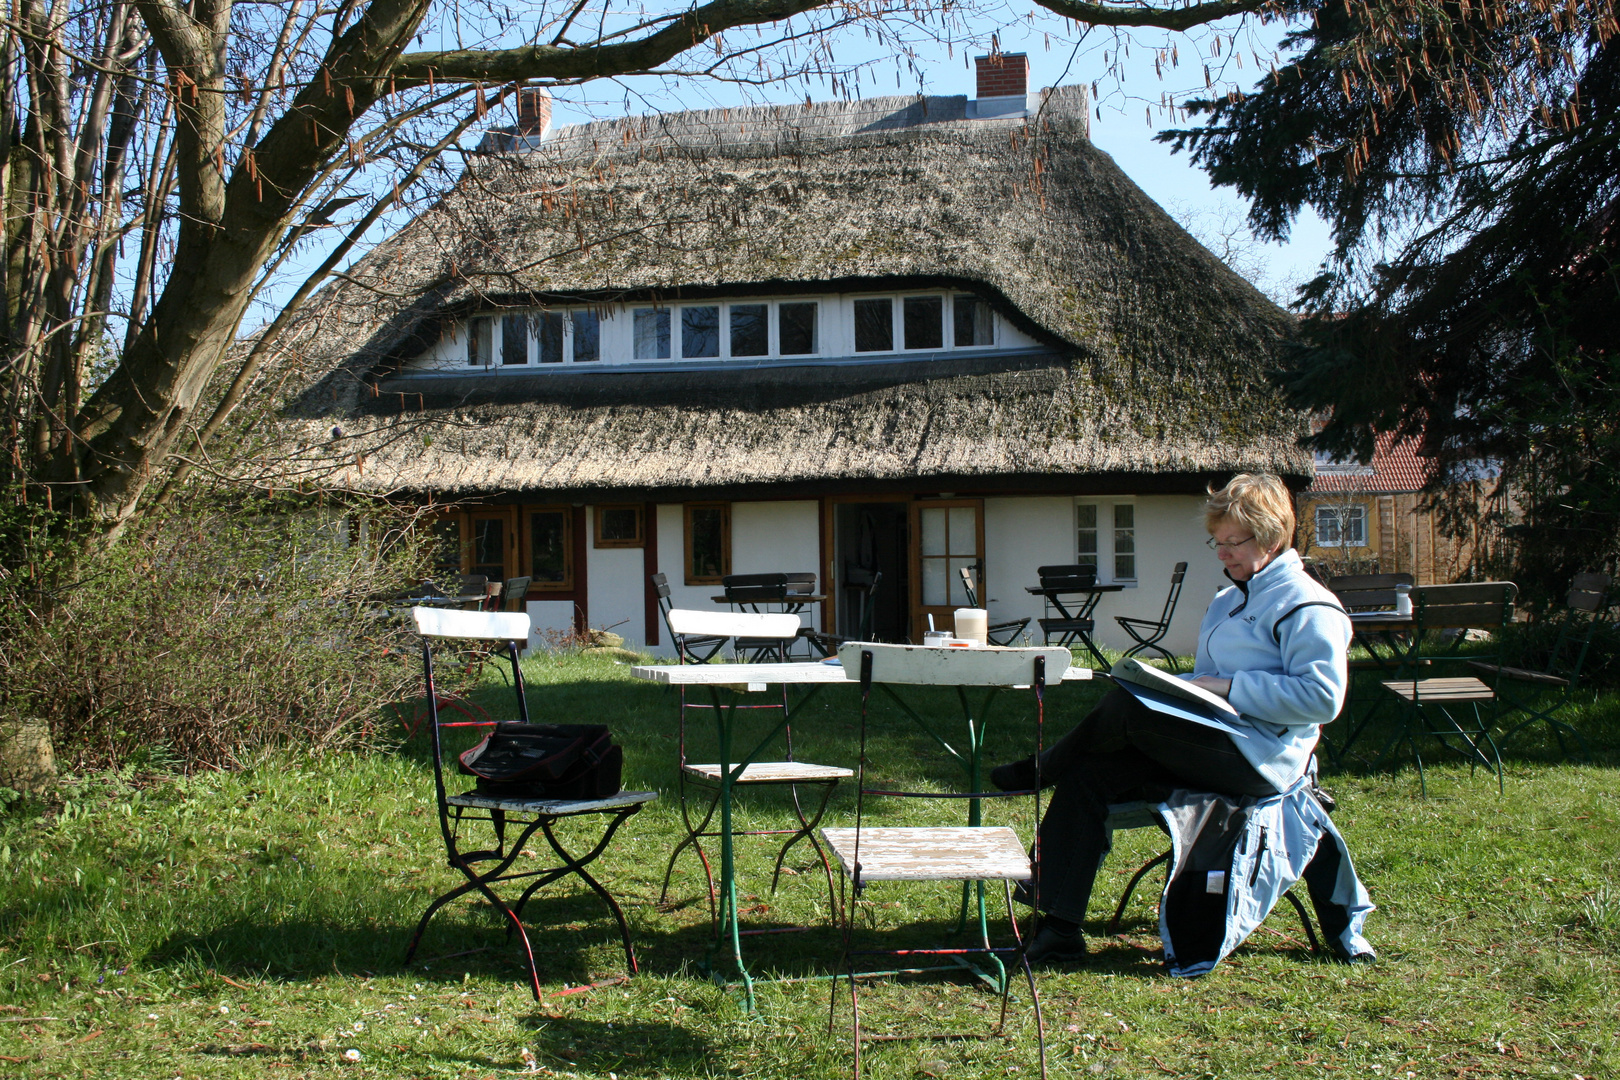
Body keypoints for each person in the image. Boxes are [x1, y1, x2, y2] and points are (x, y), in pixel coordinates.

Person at [993, 473, 1352, 964]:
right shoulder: (1228, 601)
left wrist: (1225, 688)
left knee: (1126, 708)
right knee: (1088, 774)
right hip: (1217, 742)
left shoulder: (1306, 604)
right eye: (1217, 542)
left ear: (1271, 536)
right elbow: (1210, 682)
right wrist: (1187, 692)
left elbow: (1322, 698)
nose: (1222, 553)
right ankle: (1059, 928)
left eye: (1234, 542)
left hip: (1263, 758)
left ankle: (1042, 768)